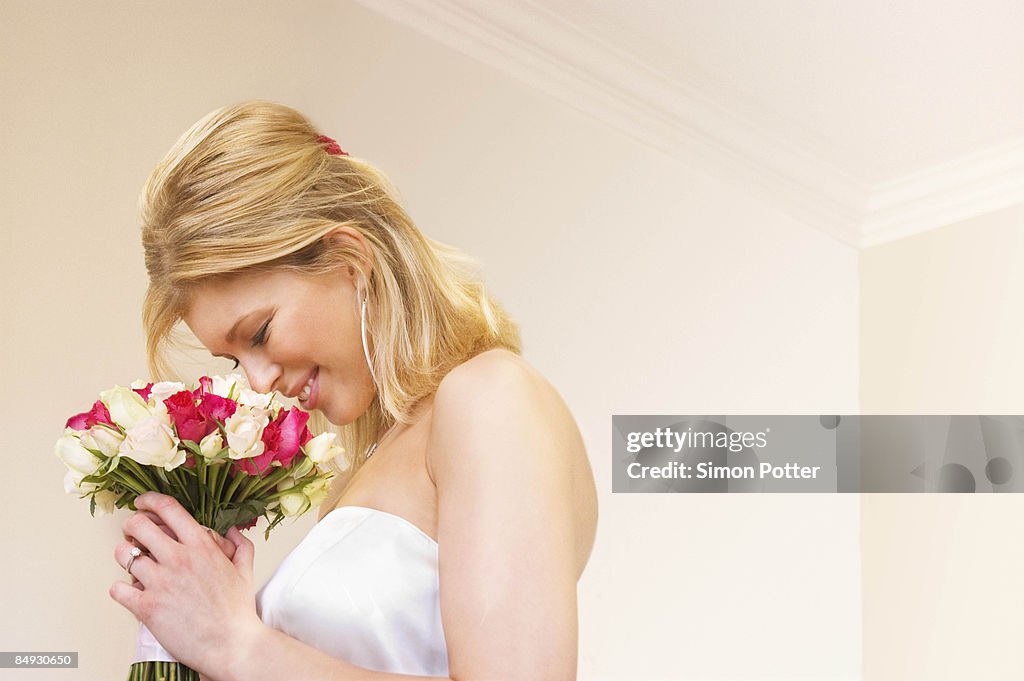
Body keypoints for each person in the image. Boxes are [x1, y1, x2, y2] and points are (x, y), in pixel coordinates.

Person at [108, 100, 599, 681]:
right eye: (235, 359)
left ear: (348, 257)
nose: (260, 382)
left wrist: (236, 644)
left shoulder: (490, 396)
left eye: (261, 333)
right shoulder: (372, 464)